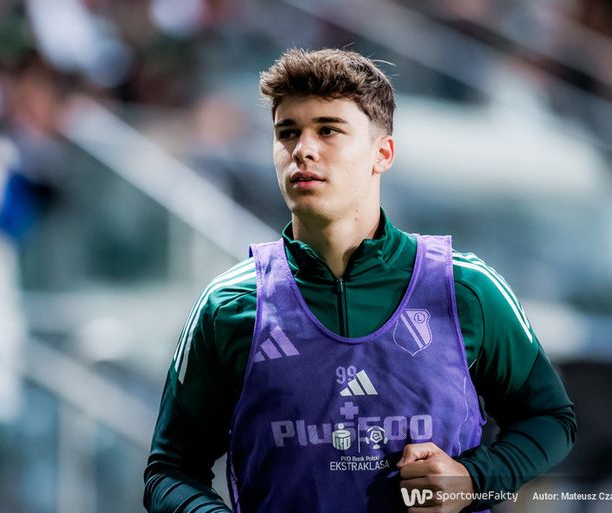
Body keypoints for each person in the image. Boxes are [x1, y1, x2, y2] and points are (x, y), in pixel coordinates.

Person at [144, 48, 576, 513]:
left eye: (328, 130)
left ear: (382, 153)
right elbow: (169, 471)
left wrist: (473, 480)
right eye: (287, 132)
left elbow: (551, 418)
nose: (302, 149)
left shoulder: (465, 289)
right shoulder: (229, 305)